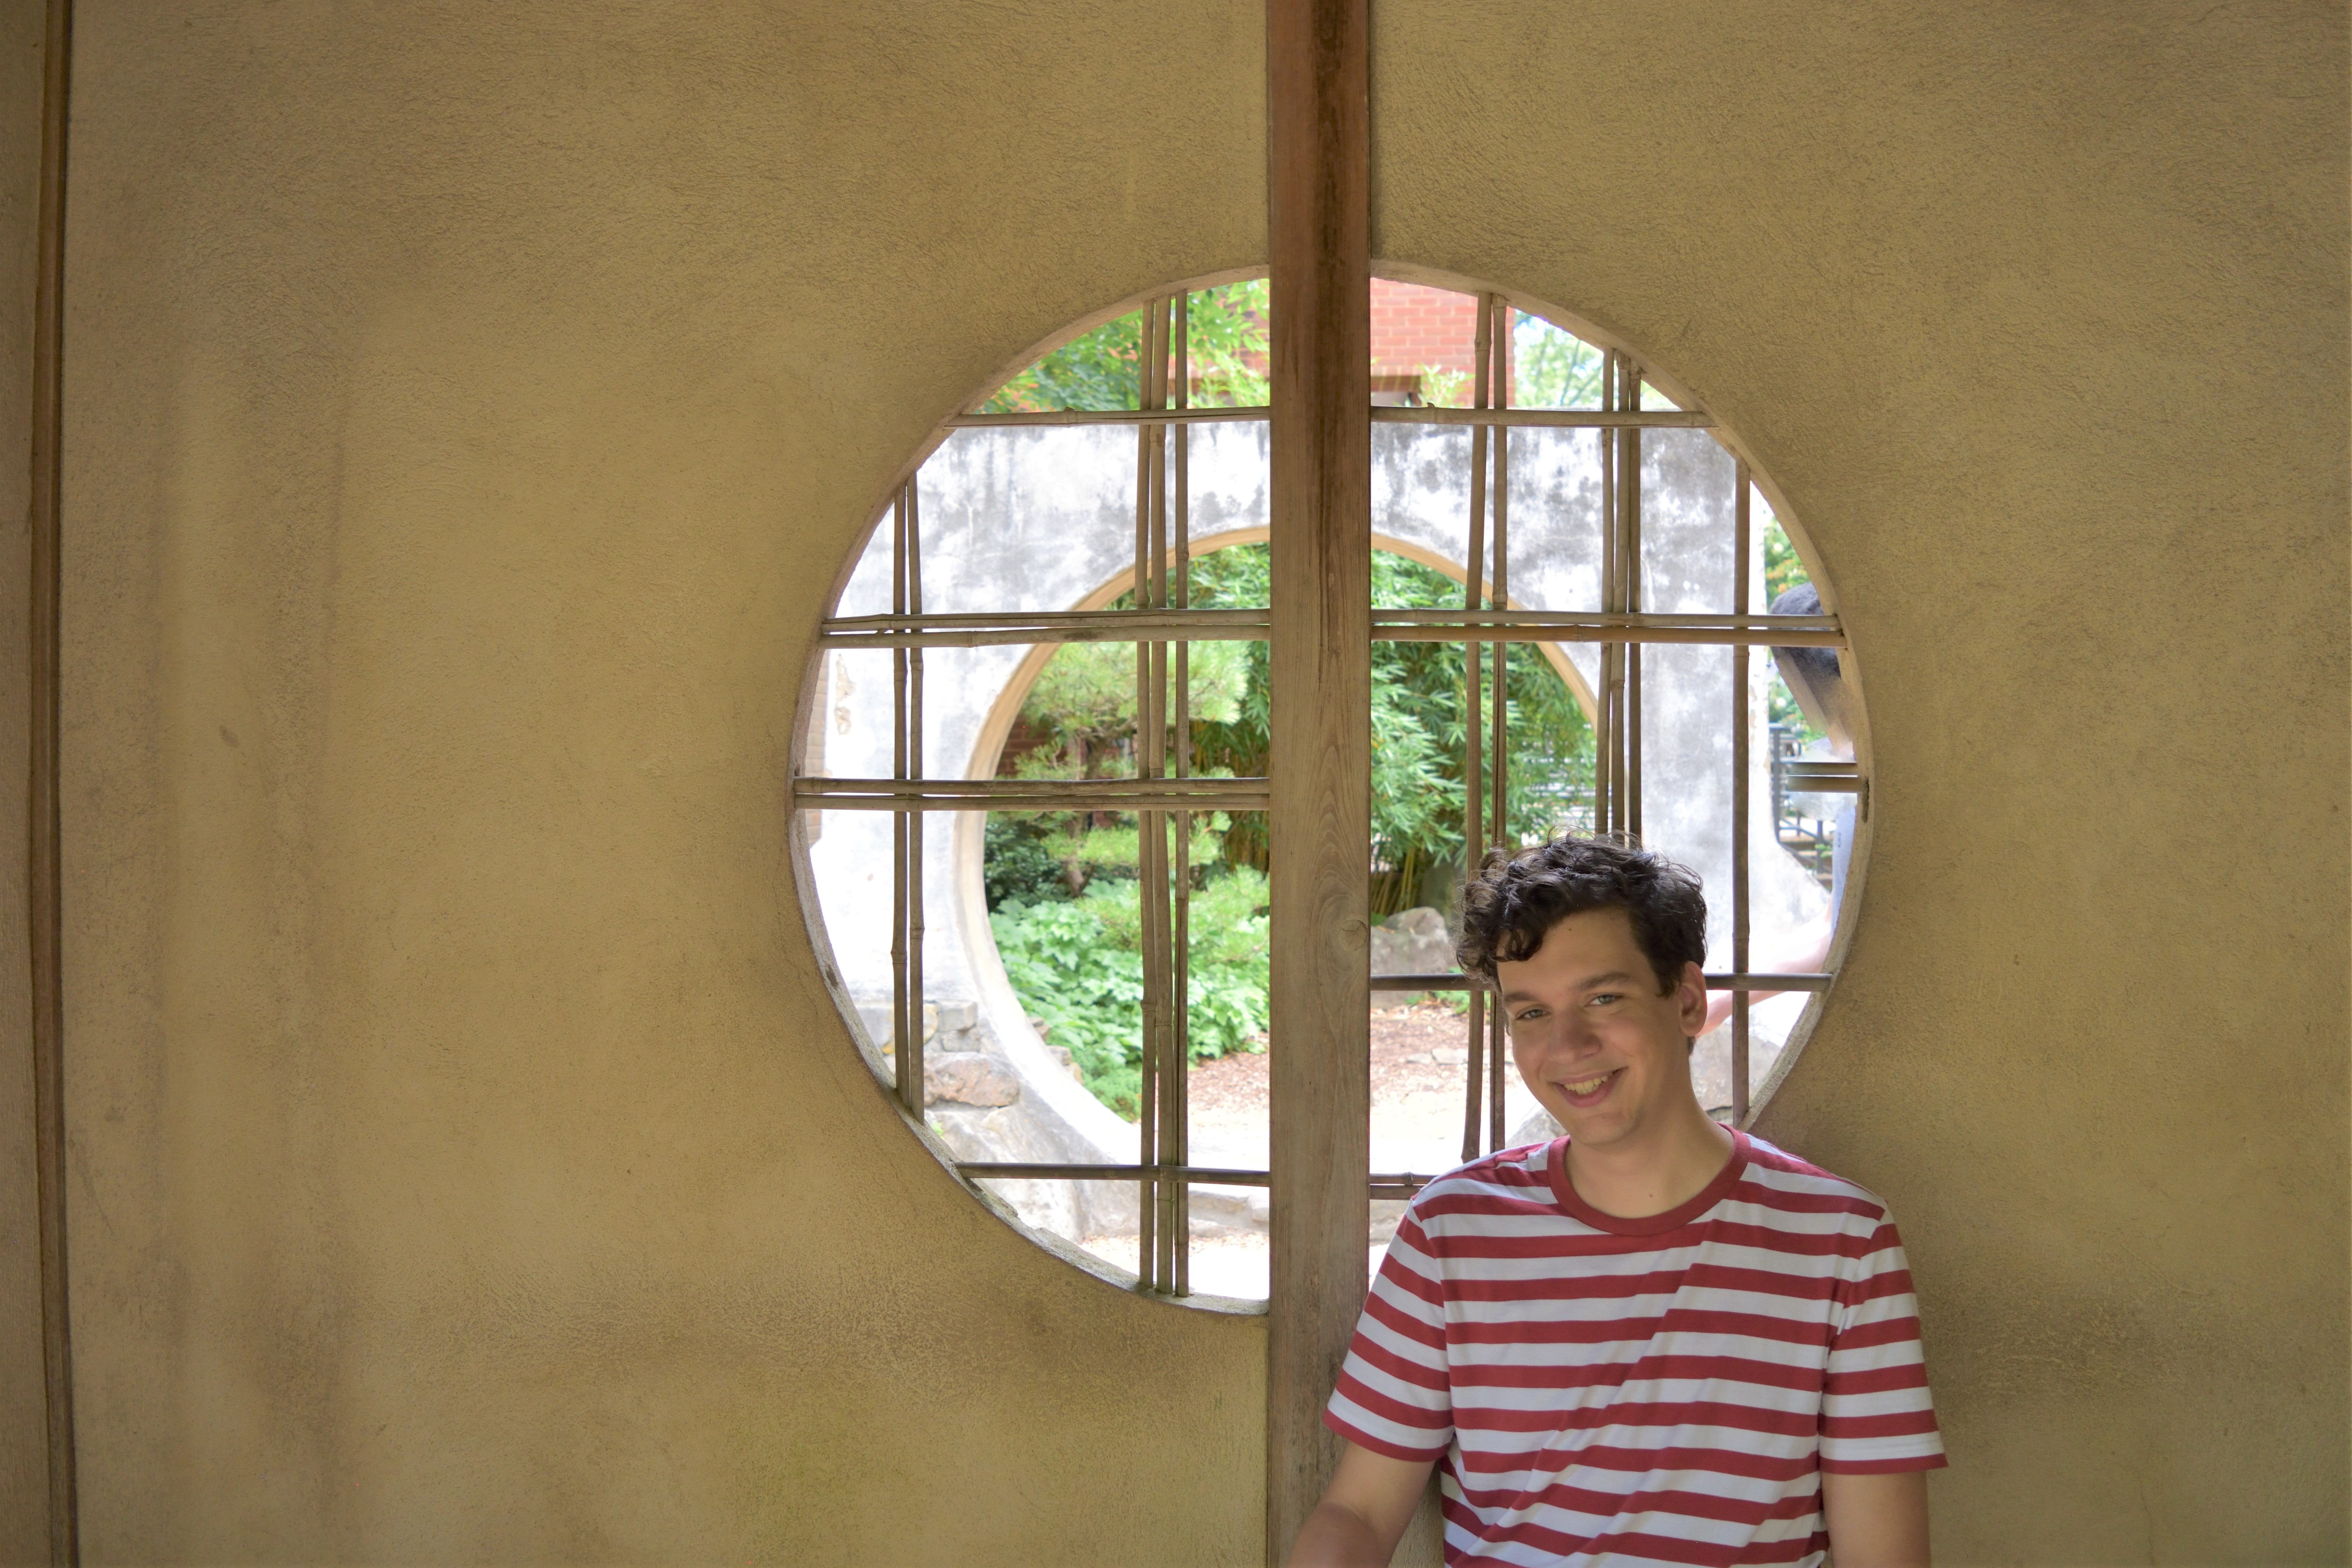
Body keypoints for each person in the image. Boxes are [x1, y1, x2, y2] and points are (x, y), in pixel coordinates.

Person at [1288, 835, 1943, 1567]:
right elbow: (1358, 1510)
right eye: (1531, 1013)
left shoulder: (1843, 1242)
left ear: (1689, 1000)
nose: (1568, 1046)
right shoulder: (1451, 1232)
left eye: (1604, 997)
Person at [1702, 581, 1855, 1035]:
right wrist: (1719, 993)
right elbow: (1835, 925)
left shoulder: (1871, 783)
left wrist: (1721, 1000)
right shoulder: (1855, 785)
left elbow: (1836, 938)